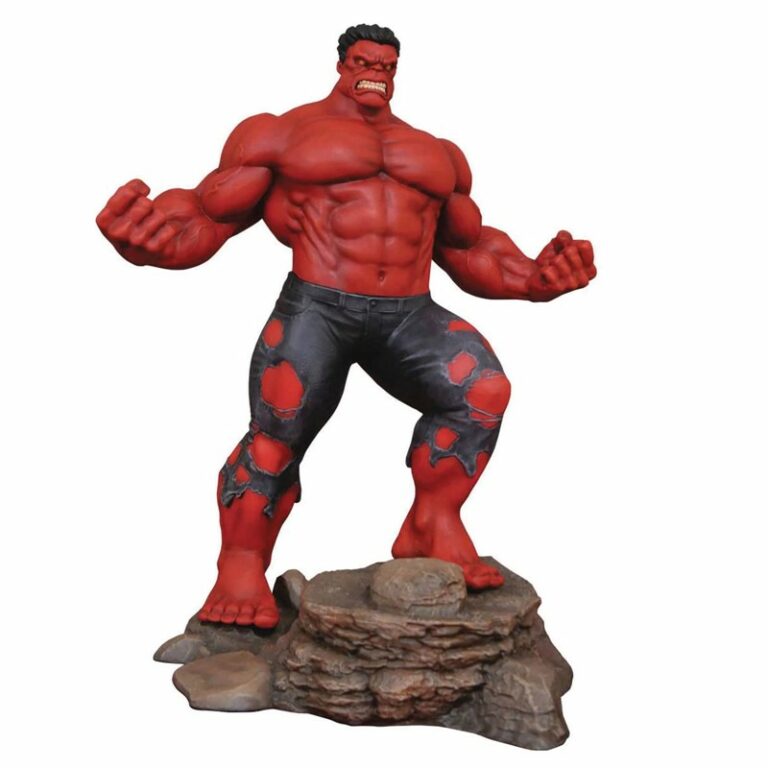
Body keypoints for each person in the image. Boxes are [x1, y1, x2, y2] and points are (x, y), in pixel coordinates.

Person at [96, 23, 596, 627]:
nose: (375, 72)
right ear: (341, 64)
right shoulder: (281, 134)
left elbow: (468, 248)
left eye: (386, 64)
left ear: (396, 70)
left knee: (483, 391)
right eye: (364, 61)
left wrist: (534, 278)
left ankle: (432, 522)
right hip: (318, 308)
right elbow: (207, 213)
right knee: (276, 431)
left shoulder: (436, 154)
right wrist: (151, 241)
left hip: (409, 315)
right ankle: (240, 567)